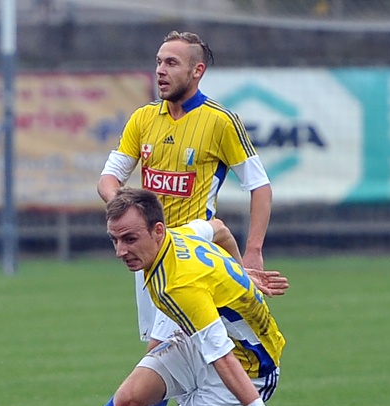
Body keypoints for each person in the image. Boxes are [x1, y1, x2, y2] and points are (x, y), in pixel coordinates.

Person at [75, 188, 316, 406]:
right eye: (115, 240)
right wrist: (239, 272)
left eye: (130, 239)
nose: (120, 252)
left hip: (250, 371)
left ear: (158, 231)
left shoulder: (178, 286)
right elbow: (220, 229)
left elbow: (223, 357)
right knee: (127, 399)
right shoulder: (181, 234)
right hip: (208, 347)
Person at [98, 30, 276, 350]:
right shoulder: (143, 118)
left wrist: (254, 251)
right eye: (158, 62)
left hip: (189, 252)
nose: (160, 71)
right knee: (180, 362)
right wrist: (128, 212)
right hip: (150, 254)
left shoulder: (220, 121)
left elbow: (260, 186)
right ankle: (246, 399)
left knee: (160, 354)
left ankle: (137, 403)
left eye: (171, 63)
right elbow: (108, 179)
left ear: (197, 71)